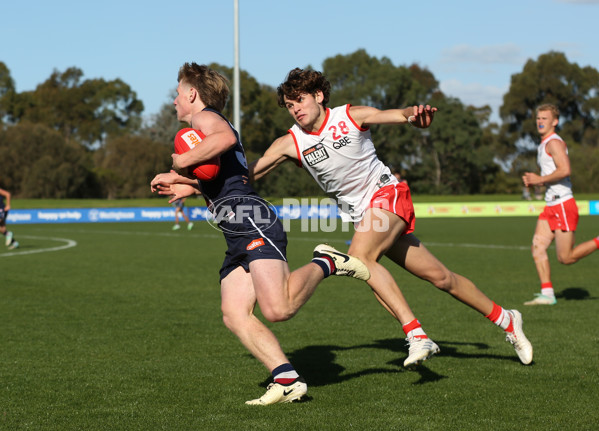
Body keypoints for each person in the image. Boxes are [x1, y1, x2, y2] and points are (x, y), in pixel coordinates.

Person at [250, 67, 534, 366]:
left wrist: (415, 115)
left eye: (299, 100)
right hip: (368, 218)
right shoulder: (291, 142)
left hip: (388, 194)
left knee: (360, 257)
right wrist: (201, 179)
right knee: (440, 277)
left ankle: (417, 334)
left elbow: (398, 114)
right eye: (290, 104)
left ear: (318, 96)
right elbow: (249, 174)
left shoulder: (350, 116)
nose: (295, 109)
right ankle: (507, 319)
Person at [150, 63, 370, 405]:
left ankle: (327, 261)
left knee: (278, 309)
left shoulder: (204, 119)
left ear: (192, 94)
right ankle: (286, 380)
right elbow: (227, 177)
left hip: (250, 219)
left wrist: (181, 163)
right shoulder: (202, 125)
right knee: (234, 313)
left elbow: (225, 140)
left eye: (178, 94)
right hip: (235, 227)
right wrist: (186, 184)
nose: (174, 101)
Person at [522, 104, 599, 305]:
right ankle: (547, 294)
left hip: (563, 205)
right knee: (537, 248)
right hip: (551, 206)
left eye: (544, 119)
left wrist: (538, 179)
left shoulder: (554, 143)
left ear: (555, 121)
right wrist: (535, 181)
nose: (540, 121)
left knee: (566, 258)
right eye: (538, 118)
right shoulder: (543, 143)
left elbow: (565, 169)